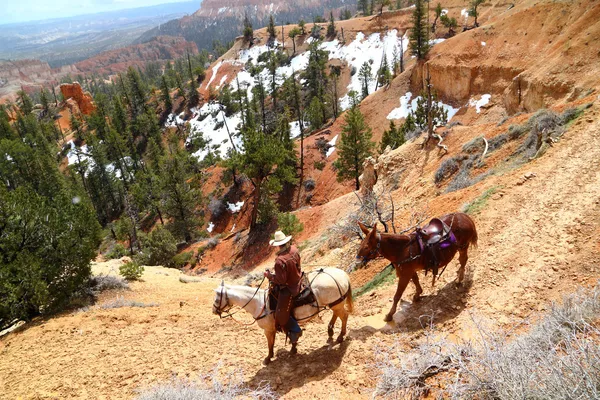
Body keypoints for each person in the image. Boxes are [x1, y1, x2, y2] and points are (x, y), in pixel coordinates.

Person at [264, 230, 303, 344]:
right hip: (299, 279)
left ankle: (296, 330)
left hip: (290, 287)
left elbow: (281, 280)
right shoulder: (294, 249)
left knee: (280, 314)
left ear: (277, 245)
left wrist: (269, 276)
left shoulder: (279, 260)